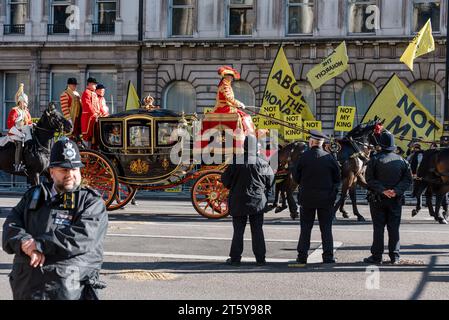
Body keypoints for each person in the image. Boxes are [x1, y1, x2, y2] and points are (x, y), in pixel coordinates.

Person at [2, 138, 108, 300]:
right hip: (28, 287)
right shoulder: (33, 196)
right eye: (64, 170)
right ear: (52, 172)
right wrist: (24, 242)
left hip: (69, 289)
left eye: (75, 169)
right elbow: (11, 226)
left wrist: (39, 245)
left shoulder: (90, 201)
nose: (70, 174)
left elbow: (83, 236)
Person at [221, 135, 274, 266]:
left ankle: (235, 258)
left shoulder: (236, 162)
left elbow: (225, 181)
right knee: (257, 230)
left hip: (239, 201)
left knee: (238, 231)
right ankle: (260, 259)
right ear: (256, 148)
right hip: (257, 201)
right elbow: (271, 183)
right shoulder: (262, 163)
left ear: (244, 147)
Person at [292, 130, 341, 264]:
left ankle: (302, 256)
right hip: (326, 199)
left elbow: (295, 178)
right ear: (322, 143)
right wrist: (333, 193)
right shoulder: (329, 158)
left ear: (312, 142)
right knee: (326, 228)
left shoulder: (303, 157)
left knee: (306, 228)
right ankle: (328, 256)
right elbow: (338, 178)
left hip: (307, 198)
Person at [364, 131, 412, 265]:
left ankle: (377, 256)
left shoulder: (374, 159)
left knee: (378, 228)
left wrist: (383, 190)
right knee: (394, 228)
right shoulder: (402, 160)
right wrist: (395, 191)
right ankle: (394, 256)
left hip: (378, 198)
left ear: (381, 145)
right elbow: (408, 180)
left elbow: (369, 179)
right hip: (395, 199)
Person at [212, 66, 255, 135]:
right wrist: (239, 104)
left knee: (244, 115)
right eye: (231, 76)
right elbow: (229, 98)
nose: (232, 78)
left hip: (226, 106)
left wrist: (237, 105)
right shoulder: (225, 85)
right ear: (226, 76)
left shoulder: (226, 84)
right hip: (224, 108)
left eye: (232, 76)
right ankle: (248, 134)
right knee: (245, 116)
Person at [6, 84, 33, 172]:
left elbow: (29, 122)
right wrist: (19, 134)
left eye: (26, 102)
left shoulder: (26, 112)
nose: (25, 104)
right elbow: (10, 125)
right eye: (24, 102)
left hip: (25, 132)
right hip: (14, 133)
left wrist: (33, 125)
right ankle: (17, 165)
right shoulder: (14, 111)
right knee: (19, 143)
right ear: (20, 102)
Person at [81, 77, 101, 145]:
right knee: (87, 137)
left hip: (94, 117)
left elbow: (97, 105)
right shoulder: (86, 93)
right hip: (88, 118)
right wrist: (95, 113)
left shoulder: (94, 93)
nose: (96, 86)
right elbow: (87, 105)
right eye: (94, 84)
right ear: (89, 84)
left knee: (94, 136)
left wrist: (98, 113)